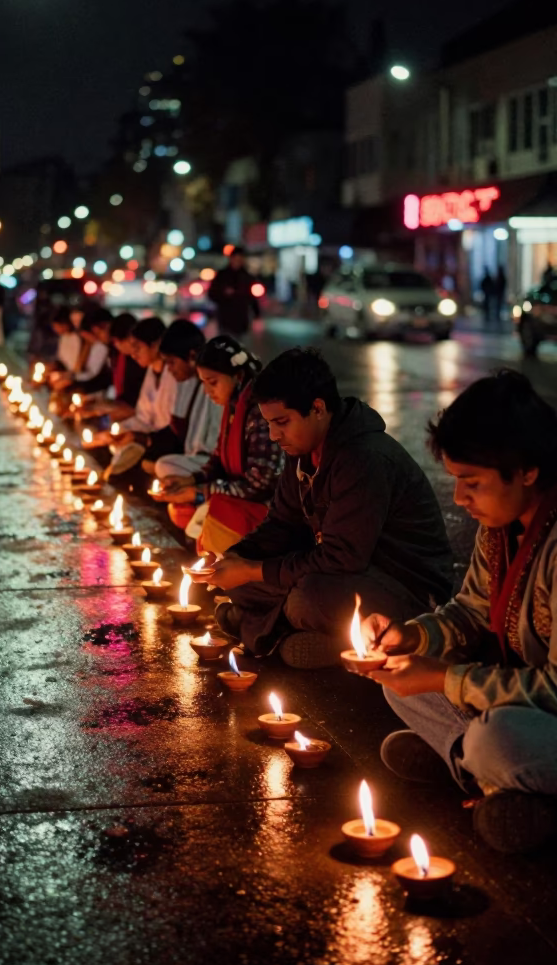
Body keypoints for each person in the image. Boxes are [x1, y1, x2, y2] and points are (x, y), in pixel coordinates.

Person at [363, 371, 557, 854]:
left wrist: (446, 679)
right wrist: (409, 637)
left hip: (540, 712)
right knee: (397, 682)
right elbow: (470, 611)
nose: (458, 499)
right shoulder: (502, 525)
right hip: (514, 695)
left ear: (528, 470)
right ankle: (479, 772)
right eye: (455, 481)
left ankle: (475, 765)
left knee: (499, 739)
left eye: (471, 483)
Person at [203, 347, 453, 666]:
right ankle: (281, 630)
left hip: (405, 589)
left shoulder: (364, 458)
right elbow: (281, 524)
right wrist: (236, 557)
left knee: (306, 599)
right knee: (243, 583)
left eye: (281, 422)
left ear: (318, 408)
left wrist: (252, 570)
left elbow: (342, 557)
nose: (274, 435)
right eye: (268, 424)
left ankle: (302, 637)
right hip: (347, 575)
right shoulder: (304, 449)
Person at [159, 335, 283, 551]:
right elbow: (218, 457)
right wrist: (190, 480)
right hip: (237, 499)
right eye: (204, 383)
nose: (208, 392)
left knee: (212, 512)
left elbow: (259, 486)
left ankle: (224, 563)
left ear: (238, 375)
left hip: (267, 510)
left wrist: (200, 493)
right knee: (181, 508)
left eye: (213, 382)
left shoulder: (259, 411)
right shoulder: (234, 405)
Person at [88, 316, 179, 480]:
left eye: (137, 348)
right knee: (115, 436)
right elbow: (143, 415)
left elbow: (172, 426)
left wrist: (138, 436)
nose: (133, 354)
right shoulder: (151, 372)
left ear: (154, 345)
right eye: (132, 348)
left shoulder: (175, 375)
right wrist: (117, 432)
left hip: (166, 443)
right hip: (148, 434)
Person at [151, 320, 222, 525]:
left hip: (210, 465)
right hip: (200, 464)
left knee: (163, 466)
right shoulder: (188, 381)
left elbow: (213, 449)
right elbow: (178, 424)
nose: (169, 370)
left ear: (191, 356)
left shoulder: (216, 388)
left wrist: (195, 485)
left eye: (172, 363)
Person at [208, 246, 260, 337]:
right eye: (236, 258)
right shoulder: (222, 276)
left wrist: (257, 314)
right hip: (226, 318)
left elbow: (253, 297)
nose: (238, 261)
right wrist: (224, 294)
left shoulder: (248, 277)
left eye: (240, 259)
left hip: (242, 319)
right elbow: (212, 294)